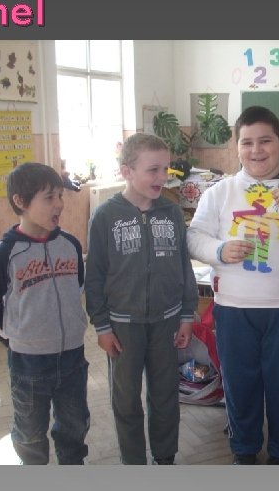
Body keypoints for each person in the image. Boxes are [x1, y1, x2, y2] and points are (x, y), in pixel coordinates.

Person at [187, 105, 279, 465]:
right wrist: (219, 250)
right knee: (240, 385)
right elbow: (194, 237)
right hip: (233, 308)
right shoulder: (219, 192)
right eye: (247, 142)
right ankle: (244, 449)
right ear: (236, 147)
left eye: (265, 140)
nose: (256, 150)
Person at [84, 133, 198, 465]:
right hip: (123, 326)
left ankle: (165, 456)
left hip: (167, 322)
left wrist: (187, 315)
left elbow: (184, 267)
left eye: (166, 169)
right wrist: (102, 326)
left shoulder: (172, 212)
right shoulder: (105, 216)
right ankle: (133, 461)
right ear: (127, 172)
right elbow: (95, 277)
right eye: (153, 170)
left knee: (165, 395)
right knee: (126, 399)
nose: (162, 177)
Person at [0, 162, 90, 465]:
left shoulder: (70, 245)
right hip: (29, 362)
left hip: (73, 356)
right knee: (30, 431)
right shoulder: (4, 253)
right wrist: (16, 338)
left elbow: (77, 287)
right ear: (20, 202)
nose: (59, 204)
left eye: (60, 196)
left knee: (75, 425)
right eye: (49, 198)